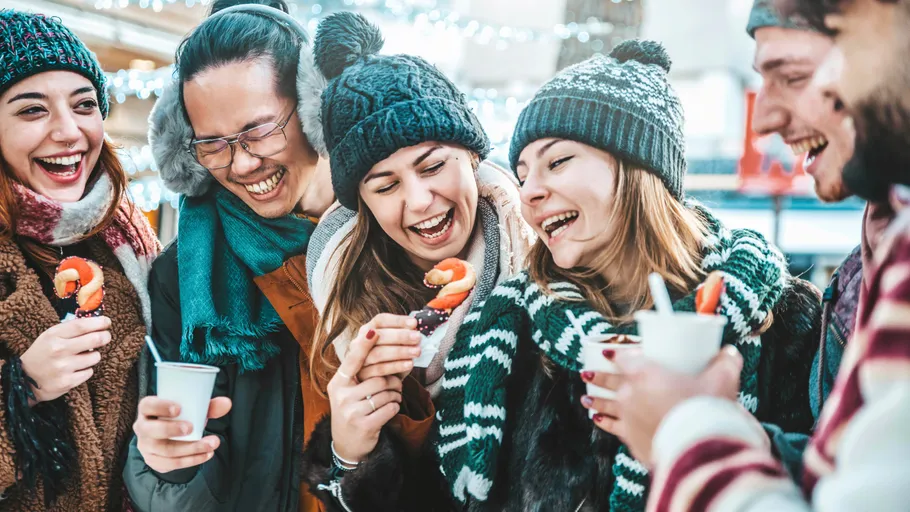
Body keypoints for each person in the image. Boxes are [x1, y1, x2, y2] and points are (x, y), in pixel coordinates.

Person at [433, 40, 821, 511]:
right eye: (523, 173)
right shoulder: (514, 326)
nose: (529, 191)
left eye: (557, 162)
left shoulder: (785, 319)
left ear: (639, 168)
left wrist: (700, 428)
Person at [610, 1, 910, 509]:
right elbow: (855, 479)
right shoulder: (882, 241)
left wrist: (685, 429)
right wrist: (734, 429)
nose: (763, 118)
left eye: (793, 75)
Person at [297, 13, 534, 510]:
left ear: (471, 157)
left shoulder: (545, 271)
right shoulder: (340, 304)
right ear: (361, 202)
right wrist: (348, 454)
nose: (420, 200)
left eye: (432, 166)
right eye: (385, 186)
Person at [122, 1, 335, 510]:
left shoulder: (391, 236)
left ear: (314, 108)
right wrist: (165, 465)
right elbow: (177, 483)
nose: (241, 164)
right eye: (213, 144)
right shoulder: (183, 275)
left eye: (259, 130)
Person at [0, 9, 160, 510]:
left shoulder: (127, 245)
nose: (70, 132)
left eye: (84, 104)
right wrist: (21, 387)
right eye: (32, 110)